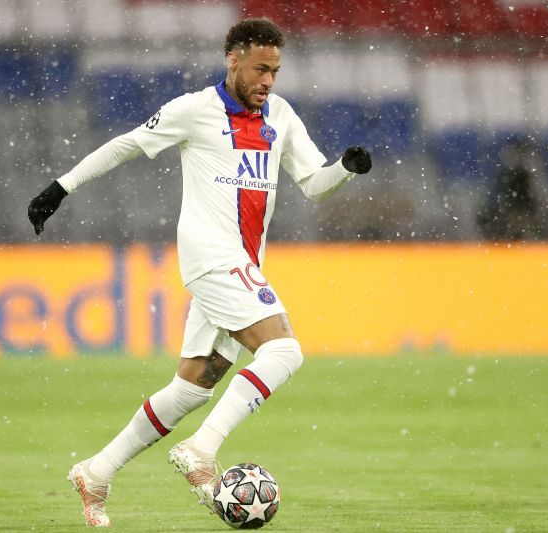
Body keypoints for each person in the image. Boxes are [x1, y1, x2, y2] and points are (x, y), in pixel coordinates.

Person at [28, 18, 372, 528]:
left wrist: (344, 166)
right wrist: (61, 187)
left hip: (242, 261)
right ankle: (202, 451)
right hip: (212, 255)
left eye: (275, 71)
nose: (268, 81)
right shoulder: (195, 110)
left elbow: (313, 183)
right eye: (260, 69)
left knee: (193, 387)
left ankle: (96, 472)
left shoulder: (280, 115)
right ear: (232, 59)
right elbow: (124, 144)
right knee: (284, 350)